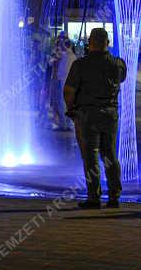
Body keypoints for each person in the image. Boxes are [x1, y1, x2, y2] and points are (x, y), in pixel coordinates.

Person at [64, 28, 127, 209]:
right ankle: (114, 196)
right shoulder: (118, 65)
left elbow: (69, 91)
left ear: (90, 42)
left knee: (91, 156)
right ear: (107, 43)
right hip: (110, 115)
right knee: (110, 155)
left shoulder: (80, 65)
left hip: (87, 115)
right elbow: (121, 78)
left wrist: (71, 110)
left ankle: (94, 197)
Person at [50, 37, 75, 130]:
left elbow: (51, 62)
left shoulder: (64, 55)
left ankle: (63, 124)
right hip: (68, 82)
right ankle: (67, 124)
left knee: (62, 103)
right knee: (68, 103)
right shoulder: (72, 56)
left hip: (62, 81)